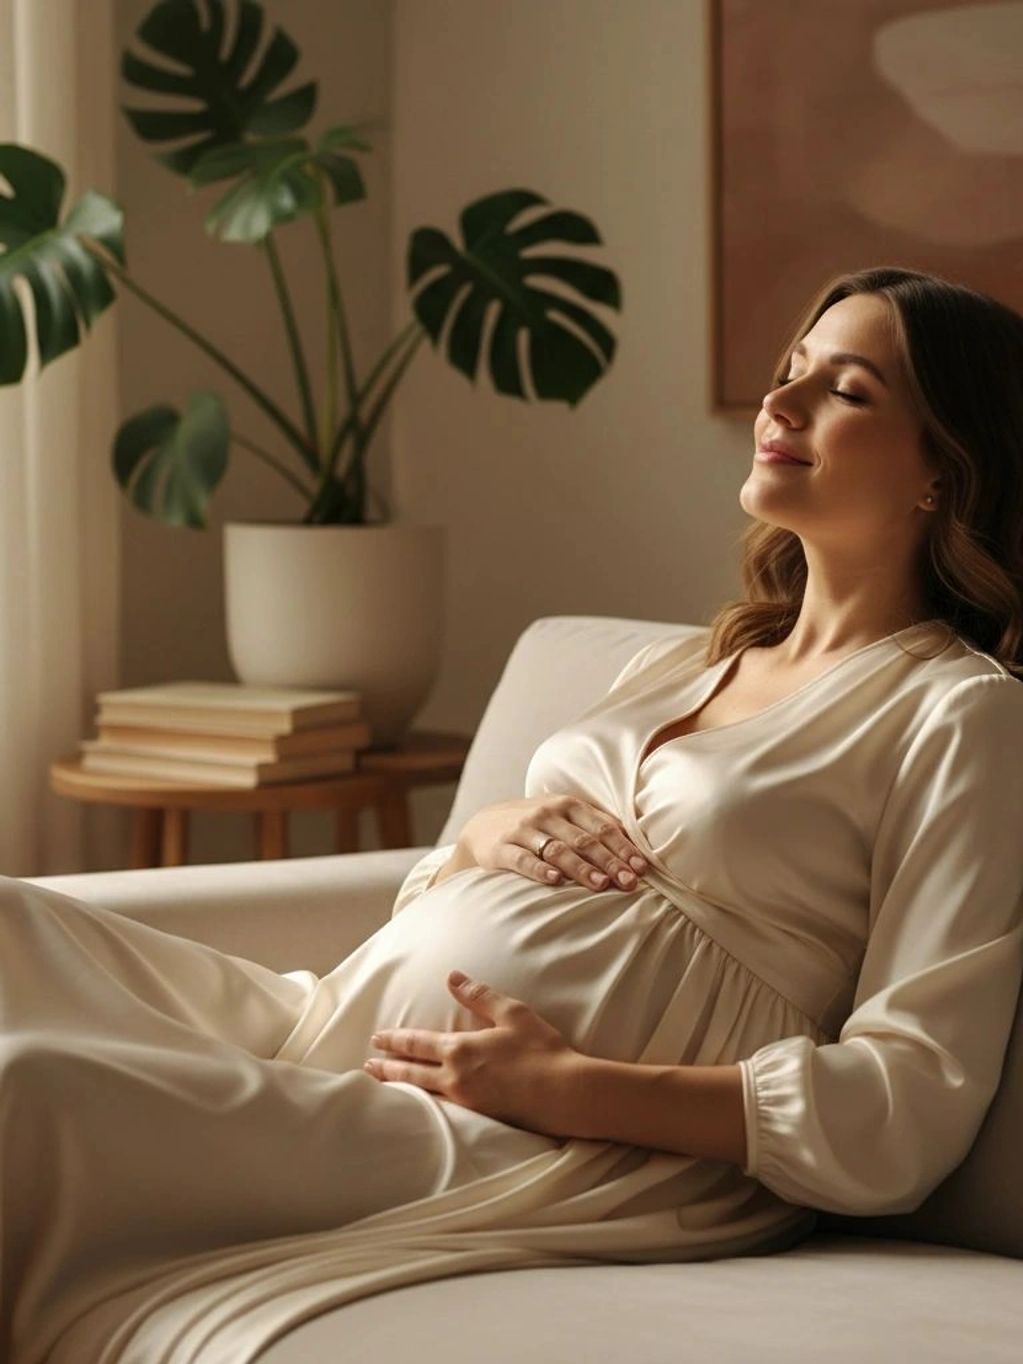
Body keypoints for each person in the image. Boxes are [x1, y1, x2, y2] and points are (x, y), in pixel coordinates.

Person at [3, 266, 1022, 1363]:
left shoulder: (960, 711)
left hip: (563, 1142)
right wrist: (480, 837)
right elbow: (452, 895)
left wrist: (578, 1091)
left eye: (846, 390)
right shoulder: (681, 664)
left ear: (945, 468)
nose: (781, 402)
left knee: (27, 1098)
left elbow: (912, 1094)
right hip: (347, 1028)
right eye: (791, 370)